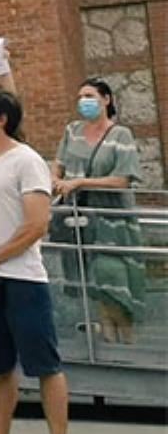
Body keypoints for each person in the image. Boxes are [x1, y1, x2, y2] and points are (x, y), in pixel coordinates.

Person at [0, 86, 67, 434]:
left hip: (22, 280)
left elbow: (36, 224)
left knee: (45, 366)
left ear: (0, 118)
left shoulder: (26, 160)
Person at [52, 78, 144, 343]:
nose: (84, 102)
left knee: (113, 276)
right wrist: (56, 180)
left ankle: (125, 339)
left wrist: (81, 182)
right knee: (91, 279)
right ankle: (108, 338)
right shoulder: (72, 131)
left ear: (106, 99)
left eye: (90, 96)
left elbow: (123, 179)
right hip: (78, 219)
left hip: (112, 221)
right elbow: (58, 165)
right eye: (81, 97)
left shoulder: (121, 135)